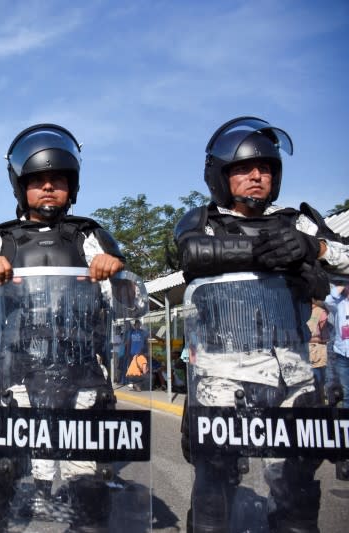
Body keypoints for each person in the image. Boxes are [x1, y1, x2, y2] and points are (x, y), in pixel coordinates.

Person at [0, 123, 126, 531]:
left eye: (57, 180)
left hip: (81, 380)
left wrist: (113, 273)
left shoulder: (89, 235)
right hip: (13, 382)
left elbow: (127, 306)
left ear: (72, 186)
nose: (48, 188)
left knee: (88, 492)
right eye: (37, 180)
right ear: (20, 186)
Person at [174, 116, 349, 531]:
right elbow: (189, 254)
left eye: (266, 168)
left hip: (293, 371)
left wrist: (314, 246)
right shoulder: (201, 220)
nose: (257, 175)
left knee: (298, 487)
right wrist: (267, 251)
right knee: (214, 486)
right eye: (245, 169)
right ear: (220, 175)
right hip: (222, 372)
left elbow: (343, 255)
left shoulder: (297, 221)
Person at [325, 285, 349, 407]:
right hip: (342, 354)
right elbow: (327, 300)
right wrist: (341, 288)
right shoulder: (339, 304)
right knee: (346, 392)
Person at [307, 300, 330, 404]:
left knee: (315, 380)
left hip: (312, 351)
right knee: (317, 380)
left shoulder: (315, 311)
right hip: (313, 349)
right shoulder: (319, 311)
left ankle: (317, 403)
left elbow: (325, 335)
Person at [122, 319, 149, 385]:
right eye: (137, 324)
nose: (138, 325)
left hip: (140, 353)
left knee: (141, 367)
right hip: (132, 353)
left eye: (139, 324)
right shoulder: (131, 332)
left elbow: (148, 338)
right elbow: (128, 342)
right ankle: (132, 381)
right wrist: (127, 352)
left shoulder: (143, 332)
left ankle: (138, 382)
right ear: (134, 325)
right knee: (132, 367)